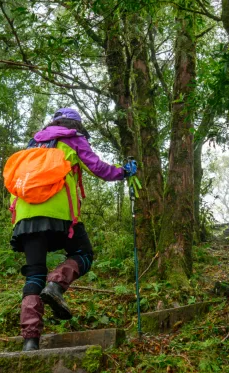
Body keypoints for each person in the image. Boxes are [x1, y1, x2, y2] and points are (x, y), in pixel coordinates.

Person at [10, 107, 137, 351]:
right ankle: (56, 286)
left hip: (25, 216)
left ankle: (30, 341)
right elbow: (98, 168)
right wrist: (124, 172)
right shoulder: (73, 139)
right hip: (58, 214)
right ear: (76, 125)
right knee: (84, 254)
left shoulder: (33, 142)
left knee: (34, 274)